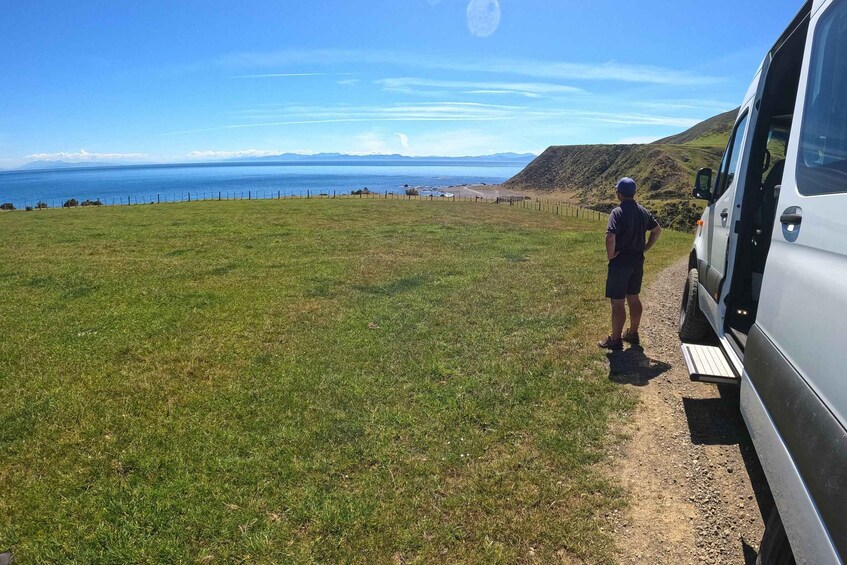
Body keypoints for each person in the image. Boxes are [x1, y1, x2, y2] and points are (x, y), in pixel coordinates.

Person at [597, 177, 662, 351]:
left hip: (620, 262)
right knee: (633, 297)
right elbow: (657, 230)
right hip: (637, 261)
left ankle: (616, 339)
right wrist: (646, 247)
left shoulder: (617, 212)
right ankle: (633, 333)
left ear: (619, 193)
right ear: (633, 193)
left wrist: (611, 256)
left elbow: (610, 237)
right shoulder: (643, 211)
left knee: (617, 302)